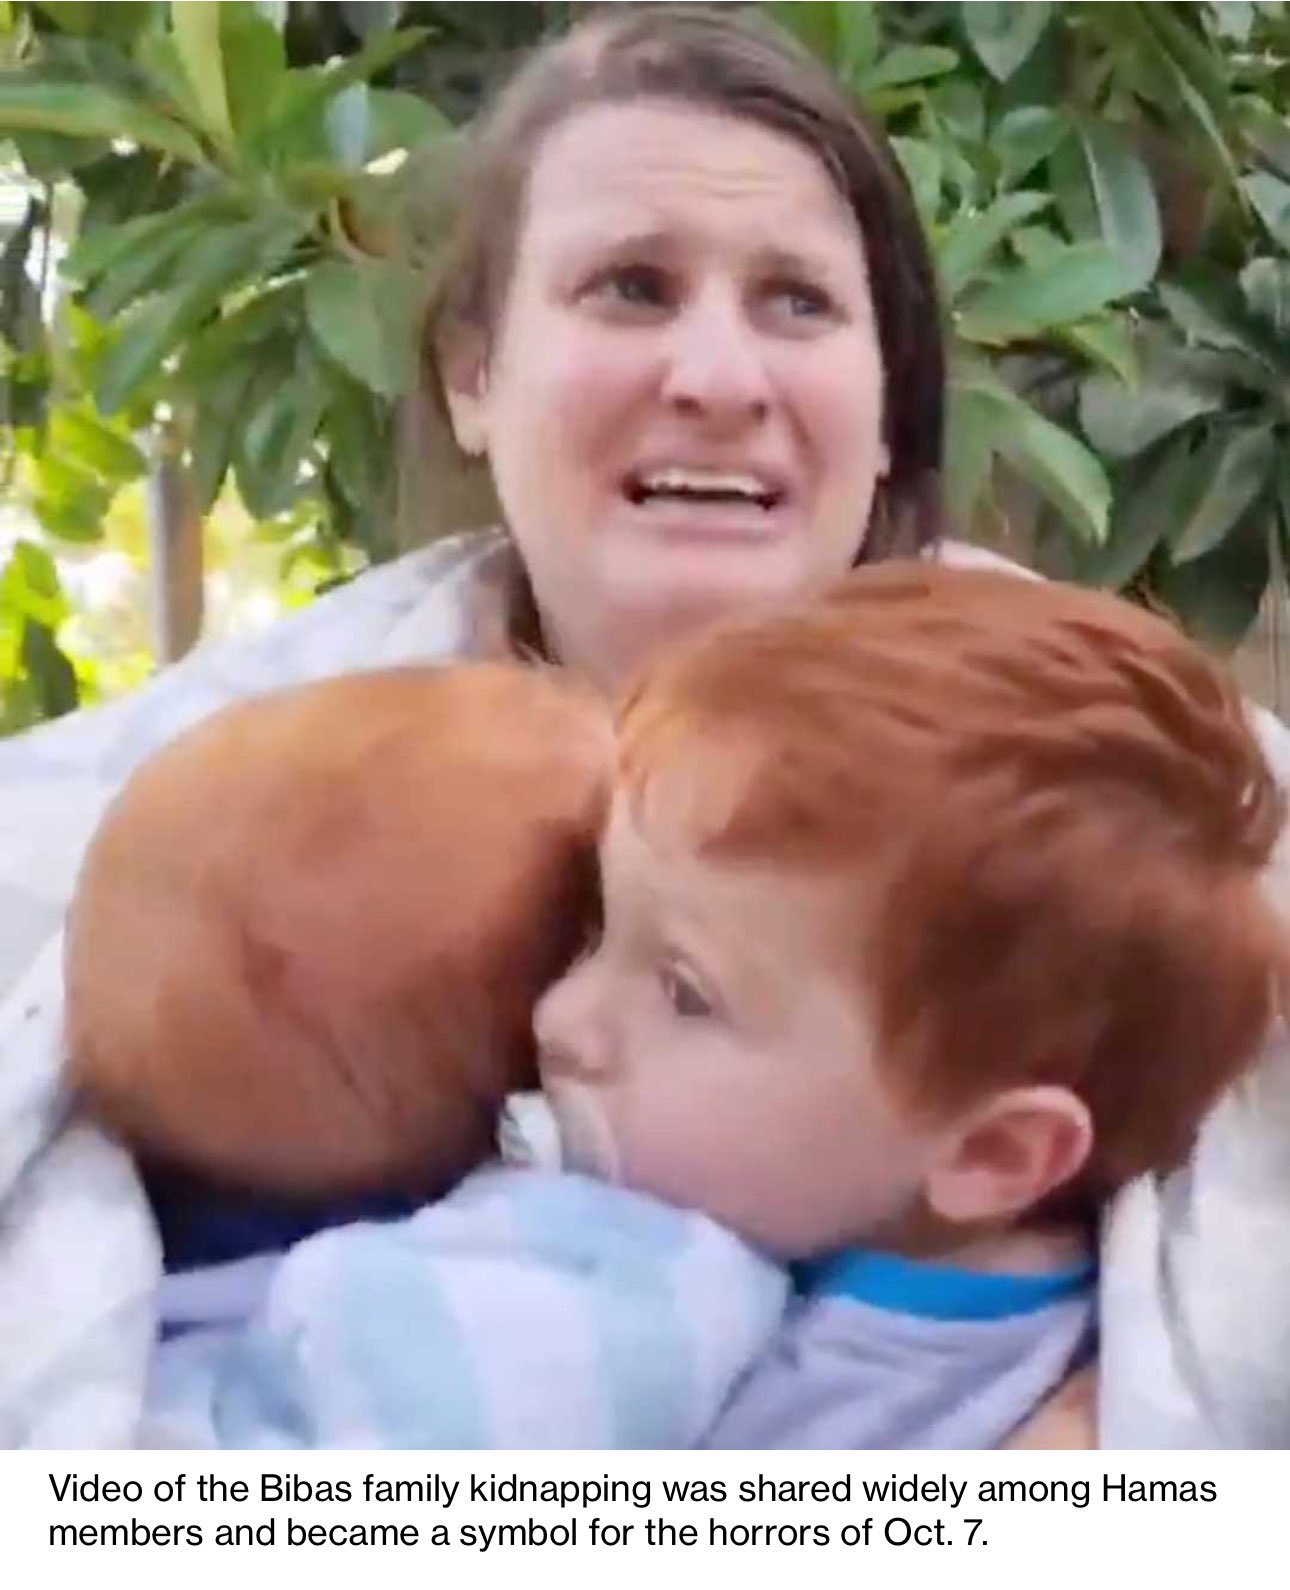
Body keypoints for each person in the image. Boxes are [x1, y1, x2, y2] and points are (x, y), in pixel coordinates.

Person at [0, 3, 1286, 1447]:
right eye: (630, 286)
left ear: (887, 410)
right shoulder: (219, 796)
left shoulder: (1154, 797)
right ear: (473, 376)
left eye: (797, 302)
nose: (718, 378)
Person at [137, 565, 1282, 1450]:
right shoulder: (809, 1210)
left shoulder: (829, 1388)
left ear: (992, 1153)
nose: (559, 1020)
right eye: (597, 928)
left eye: (684, 993)